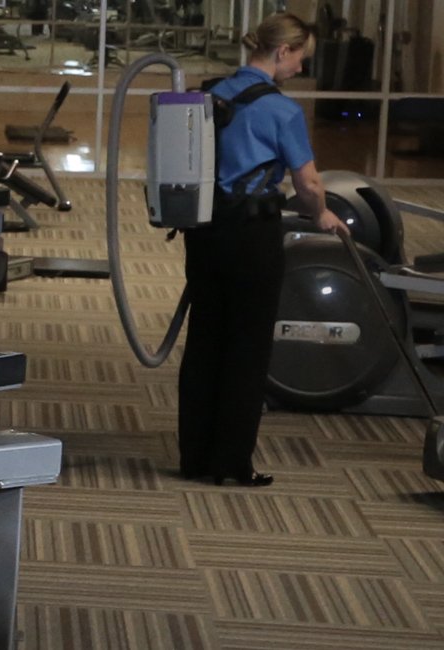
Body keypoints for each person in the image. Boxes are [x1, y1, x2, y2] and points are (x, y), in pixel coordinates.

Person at [179, 12, 347, 488]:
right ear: (281, 51)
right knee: (247, 346)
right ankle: (231, 462)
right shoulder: (281, 110)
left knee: (205, 340)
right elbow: (308, 183)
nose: (300, 68)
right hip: (252, 236)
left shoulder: (210, 94)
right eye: (300, 58)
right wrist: (321, 214)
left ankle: (195, 456)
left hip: (203, 229)